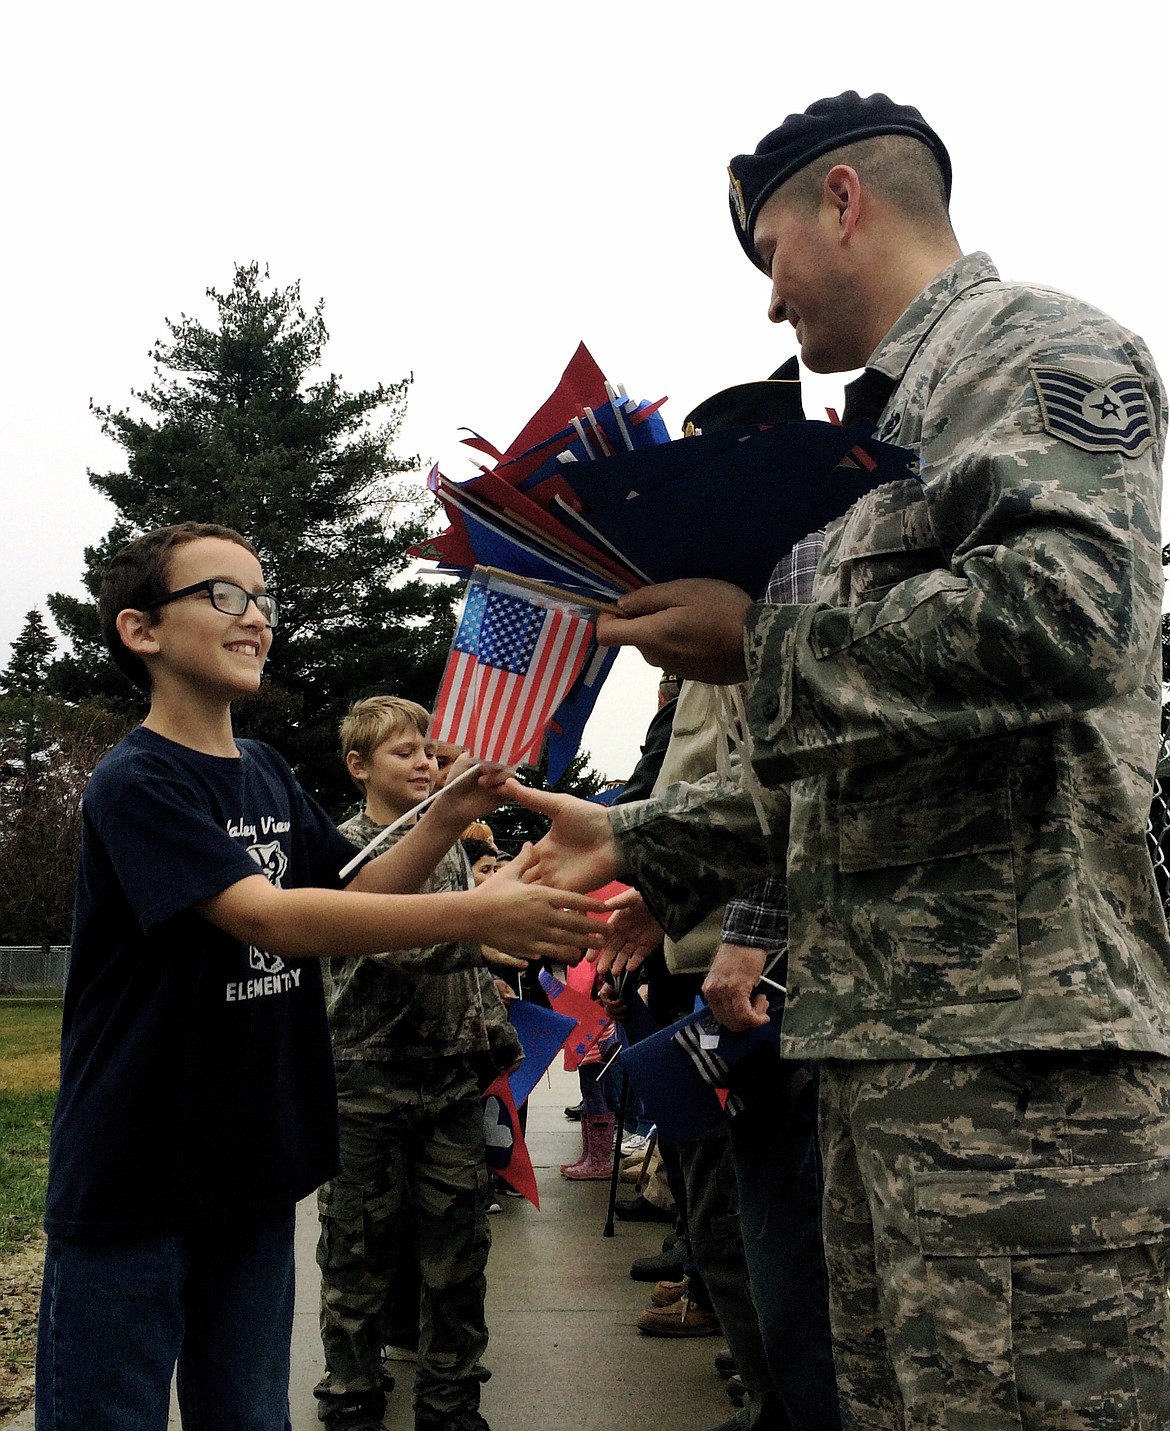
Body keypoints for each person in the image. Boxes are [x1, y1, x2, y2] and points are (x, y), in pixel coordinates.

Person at [509, 91, 1170, 1429]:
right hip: (888, 1053)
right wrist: (631, 837)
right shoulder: (873, 444)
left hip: (1021, 1065)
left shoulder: (1031, 347)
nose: (770, 304)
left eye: (769, 254)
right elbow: (858, 769)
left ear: (843, 203)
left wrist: (760, 639)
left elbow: (1079, 618)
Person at [35, 521, 603, 1431]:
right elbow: (270, 915)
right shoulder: (138, 782)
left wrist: (450, 807)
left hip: (254, 1164)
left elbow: (356, 888)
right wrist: (478, 913)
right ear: (141, 630)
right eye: (223, 594)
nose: (255, 615)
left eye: (262, 597)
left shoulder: (263, 769)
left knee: (252, 1414)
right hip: (135, 1174)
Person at [316, 696, 523, 1431]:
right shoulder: (342, 848)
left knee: (458, 1252)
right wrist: (483, 935)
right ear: (358, 765)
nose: (425, 764)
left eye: (430, 753)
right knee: (357, 1251)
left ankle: (450, 1398)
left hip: (449, 1078)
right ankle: (351, 1391)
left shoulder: (451, 846)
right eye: (404, 753)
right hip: (366, 1081)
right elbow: (380, 941)